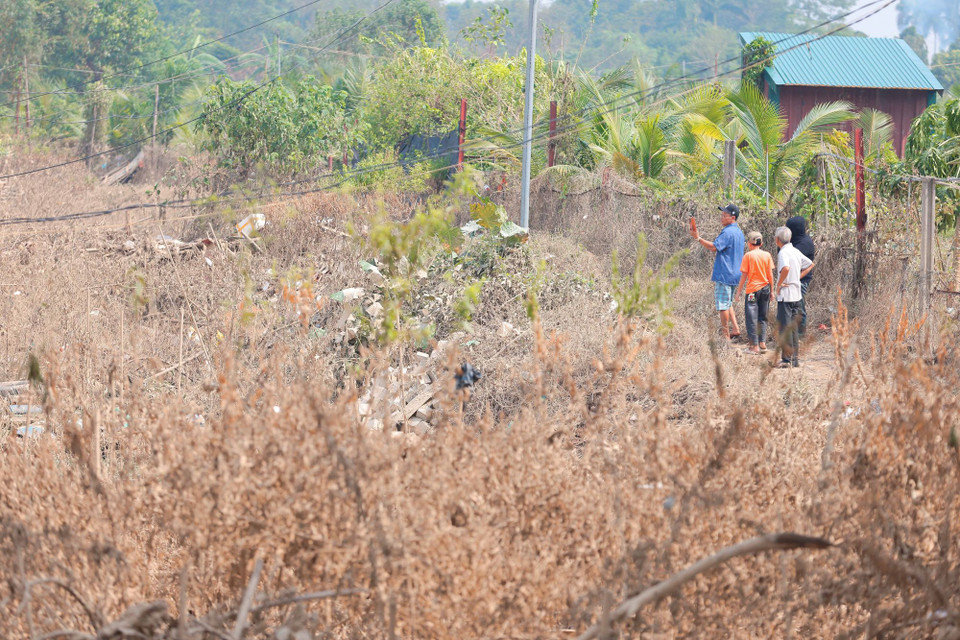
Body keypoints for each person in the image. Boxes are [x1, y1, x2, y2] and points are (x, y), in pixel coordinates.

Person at [692, 203, 745, 342]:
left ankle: (725, 336)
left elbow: (714, 247)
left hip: (725, 273)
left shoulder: (727, 232)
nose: (721, 218)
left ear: (732, 217)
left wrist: (698, 238)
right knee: (728, 303)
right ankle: (735, 328)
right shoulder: (739, 232)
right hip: (736, 273)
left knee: (723, 305)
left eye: (724, 215)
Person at [774, 226, 815, 368]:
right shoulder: (795, 251)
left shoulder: (783, 253)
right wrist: (797, 278)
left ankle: (787, 360)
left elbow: (785, 268)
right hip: (796, 294)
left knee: (785, 328)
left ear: (777, 240)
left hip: (786, 295)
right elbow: (810, 264)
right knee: (793, 328)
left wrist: (779, 284)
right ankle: (794, 359)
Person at [735, 231, 775, 354]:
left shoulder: (748, 256)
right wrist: (772, 291)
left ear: (749, 243)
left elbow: (744, 276)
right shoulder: (767, 255)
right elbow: (770, 275)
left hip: (752, 291)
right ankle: (762, 343)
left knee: (751, 317)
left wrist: (738, 292)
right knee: (763, 316)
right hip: (765, 290)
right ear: (761, 243)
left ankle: (754, 346)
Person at [785, 216, 815, 338]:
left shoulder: (804, 244)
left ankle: (801, 335)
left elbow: (791, 259)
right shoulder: (795, 241)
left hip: (801, 279)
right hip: (792, 278)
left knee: (799, 306)